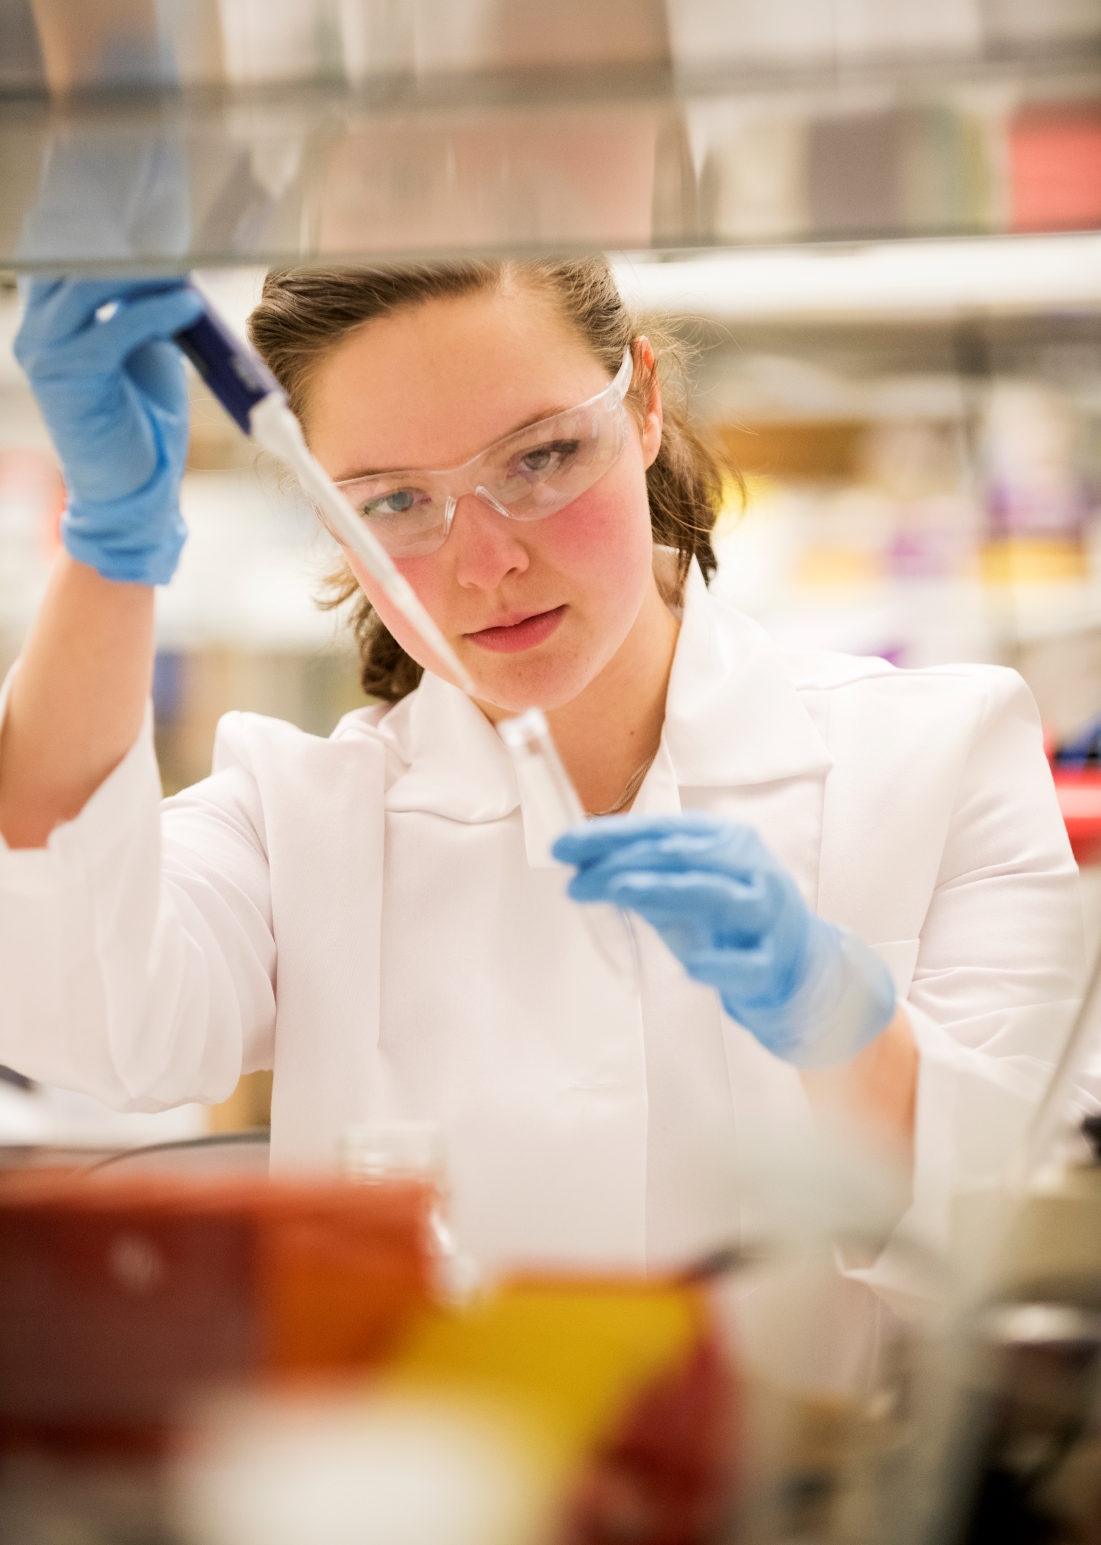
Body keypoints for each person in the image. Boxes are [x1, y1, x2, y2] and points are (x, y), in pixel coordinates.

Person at [0, 260, 1086, 1278]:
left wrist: (847, 1028)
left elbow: (1040, 1231)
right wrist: (112, 549)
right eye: (391, 502)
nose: (488, 564)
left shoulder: (945, 755)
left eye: (541, 457)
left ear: (644, 402)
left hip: (838, 1478)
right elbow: (89, 1018)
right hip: (444, 1482)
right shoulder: (296, 822)